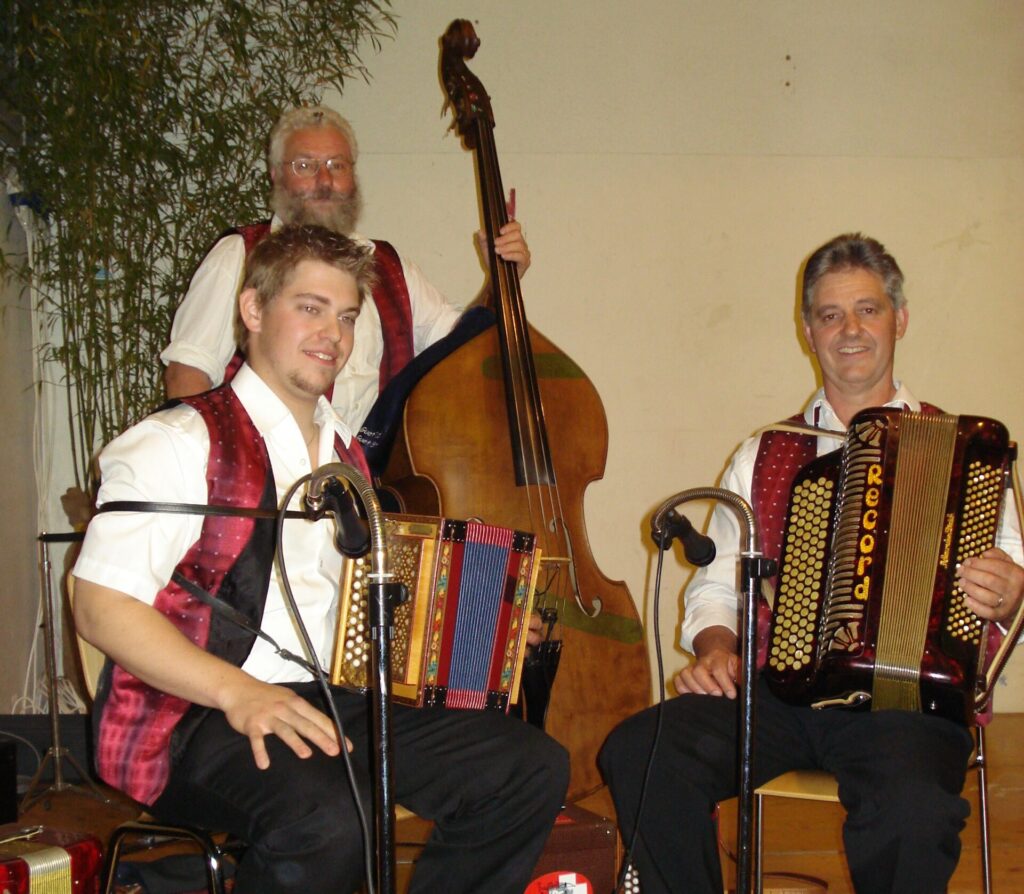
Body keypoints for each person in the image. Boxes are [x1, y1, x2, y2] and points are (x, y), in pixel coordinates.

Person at [73, 225, 568, 894]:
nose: (332, 334)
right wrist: (239, 692)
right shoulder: (175, 442)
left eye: (346, 316)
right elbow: (100, 608)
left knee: (527, 767)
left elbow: (362, 607)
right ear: (252, 310)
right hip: (193, 712)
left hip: (332, 698)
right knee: (332, 819)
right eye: (309, 307)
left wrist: (482, 631)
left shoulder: (348, 455)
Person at [599, 232, 1024, 893]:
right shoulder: (766, 450)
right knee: (642, 753)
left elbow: (1012, 571)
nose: (849, 330)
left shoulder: (964, 449)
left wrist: (1008, 589)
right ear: (807, 331)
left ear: (900, 319)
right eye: (830, 315)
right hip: (779, 695)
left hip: (910, 703)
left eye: (868, 310)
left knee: (912, 813)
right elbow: (715, 589)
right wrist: (715, 647)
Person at [161, 105, 531, 437]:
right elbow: (188, 377)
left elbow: (462, 351)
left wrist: (502, 281)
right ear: (275, 174)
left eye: (337, 166)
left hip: (368, 495)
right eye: (304, 165)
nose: (324, 181)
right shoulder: (239, 256)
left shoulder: (390, 267)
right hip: (267, 489)